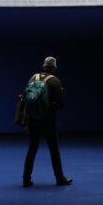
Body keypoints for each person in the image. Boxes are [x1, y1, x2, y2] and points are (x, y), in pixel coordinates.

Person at [20, 56, 73, 188]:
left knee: (32, 149)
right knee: (54, 150)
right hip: (49, 121)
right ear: (55, 68)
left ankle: (26, 180)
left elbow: (26, 96)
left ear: (43, 66)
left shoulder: (33, 78)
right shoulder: (55, 81)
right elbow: (60, 104)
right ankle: (60, 178)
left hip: (33, 120)